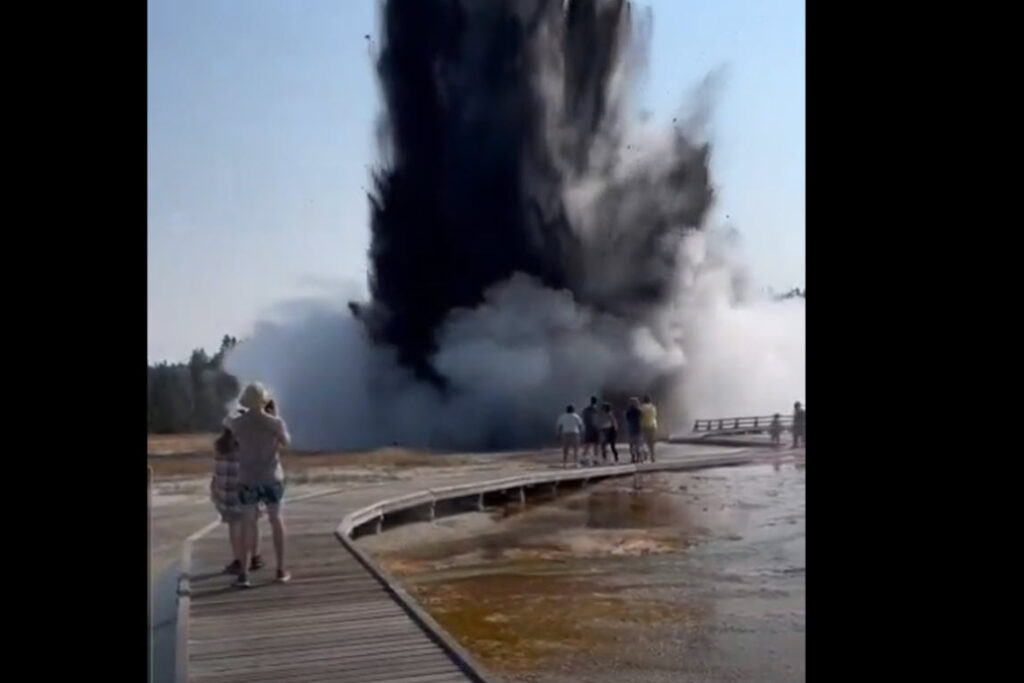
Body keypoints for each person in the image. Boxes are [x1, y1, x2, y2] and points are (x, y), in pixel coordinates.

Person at [225, 382, 292, 588]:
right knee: (276, 521)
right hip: (271, 477)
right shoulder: (275, 422)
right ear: (264, 400)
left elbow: (229, 427)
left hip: (247, 479)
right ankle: (280, 570)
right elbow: (286, 442)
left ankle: (244, 574)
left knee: (247, 524)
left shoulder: (237, 423)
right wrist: (274, 416)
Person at [211, 414, 264, 575]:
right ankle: (255, 557)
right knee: (253, 524)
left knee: (235, 527)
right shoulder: (248, 445)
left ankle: (239, 560)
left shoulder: (220, 446)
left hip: (227, 495)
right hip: (246, 493)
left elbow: (217, 473)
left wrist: (214, 492)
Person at [556, 404, 584, 468]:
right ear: (573, 410)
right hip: (575, 433)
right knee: (576, 449)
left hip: (566, 433)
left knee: (566, 449)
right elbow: (580, 425)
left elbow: (560, 426)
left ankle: (564, 463)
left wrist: (558, 434)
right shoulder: (576, 416)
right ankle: (576, 463)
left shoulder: (562, 416)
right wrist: (581, 433)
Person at [580, 396, 600, 466]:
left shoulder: (586, 410)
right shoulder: (596, 410)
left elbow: (583, 418)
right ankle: (595, 460)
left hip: (588, 428)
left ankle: (583, 459)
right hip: (595, 428)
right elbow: (597, 420)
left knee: (587, 445)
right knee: (596, 445)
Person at [639, 395, 658, 462]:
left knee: (643, 442)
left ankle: (644, 455)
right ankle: (653, 457)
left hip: (644, 426)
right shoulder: (653, 407)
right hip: (653, 426)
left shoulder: (641, 407)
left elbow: (640, 416)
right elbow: (655, 416)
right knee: (651, 443)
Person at [625, 397, 643, 463]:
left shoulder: (628, 411)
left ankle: (633, 457)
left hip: (631, 429)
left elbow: (627, 419)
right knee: (637, 445)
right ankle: (639, 458)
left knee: (631, 445)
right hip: (637, 429)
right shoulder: (639, 411)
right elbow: (641, 418)